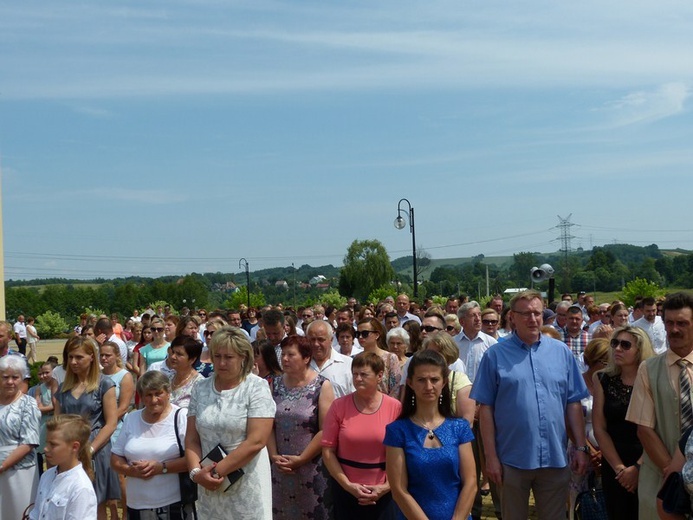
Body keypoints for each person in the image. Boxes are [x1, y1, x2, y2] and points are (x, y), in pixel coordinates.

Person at [471, 289, 590, 520]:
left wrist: (581, 447)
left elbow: (573, 403)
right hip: (511, 460)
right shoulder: (494, 356)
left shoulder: (561, 353)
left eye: (536, 313)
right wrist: (491, 458)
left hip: (555, 458)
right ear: (512, 317)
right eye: (525, 314)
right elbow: (485, 410)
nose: (532, 319)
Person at [186, 326, 276, 520]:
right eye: (217, 356)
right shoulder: (200, 387)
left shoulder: (256, 387)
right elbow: (192, 438)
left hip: (246, 484)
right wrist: (196, 473)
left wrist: (217, 472)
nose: (221, 362)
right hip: (207, 485)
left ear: (243, 357)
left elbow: (257, 441)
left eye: (229, 357)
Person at [384, 350, 477, 519]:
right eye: (421, 380)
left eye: (434, 380)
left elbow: (470, 483)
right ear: (410, 383)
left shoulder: (459, 428)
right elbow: (399, 490)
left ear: (444, 382)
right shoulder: (397, 431)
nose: (428, 386)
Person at [625, 292, 693, 519]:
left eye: (682, 323)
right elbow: (644, 429)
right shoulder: (649, 369)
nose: (674, 330)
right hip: (660, 477)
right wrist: (674, 473)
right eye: (670, 323)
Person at [322, 352, 401, 520]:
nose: (357, 379)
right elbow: (328, 451)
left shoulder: (395, 407)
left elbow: (403, 454)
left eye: (363, 374)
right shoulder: (339, 406)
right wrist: (348, 486)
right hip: (346, 491)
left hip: (385, 493)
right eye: (355, 374)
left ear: (379, 376)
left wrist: (386, 487)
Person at [53, 335, 120, 520]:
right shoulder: (62, 389)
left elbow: (111, 423)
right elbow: (56, 423)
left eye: (78, 357)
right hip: (68, 450)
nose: (73, 362)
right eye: (70, 357)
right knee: (69, 501)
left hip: (96, 449)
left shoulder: (104, 384)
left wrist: (90, 449)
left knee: (95, 503)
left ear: (92, 357)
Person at [269, 335, 335, 519]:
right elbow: (267, 425)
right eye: (283, 354)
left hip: (311, 469)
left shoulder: (322, 385)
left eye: (291, 355)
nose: (284, 359)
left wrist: (301, 459)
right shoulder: (273, 384)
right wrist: (274, 456)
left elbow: (326, 430)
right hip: (279, 469)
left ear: (306, 358)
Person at [111, 371, 193, 519]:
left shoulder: (181, 417)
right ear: (141, 397)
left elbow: (193, 459)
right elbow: (115, 458)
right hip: (135, 504)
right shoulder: (132, 418)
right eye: (148, 395)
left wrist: (161, 468)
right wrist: (131, 470)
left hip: (172, 503)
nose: (154, 400)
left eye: (158, 394)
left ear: (168, 393)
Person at [593, 326, 654, 520]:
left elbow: (659, 429)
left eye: (625, 345)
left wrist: (637, 468)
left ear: (640, 349)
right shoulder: (602, 379)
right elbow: (599, 428)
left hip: (650, 459)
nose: (617, 349)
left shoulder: (653, 380)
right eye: (615, 343)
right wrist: (620, 469)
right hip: (614, 462)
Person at [30, 415, 97, 520]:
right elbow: (36, 513)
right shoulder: (47, 475)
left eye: (53, 445)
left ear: (74, 447)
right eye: (46, 443)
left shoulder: (80, 487)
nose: (46, 449)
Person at [0, 355, 41, 518]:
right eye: (5, 377)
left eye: (15, 377)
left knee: (18, 513)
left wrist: (3, 466)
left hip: (19, 471)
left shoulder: (28, 403)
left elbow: (29, 442)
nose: (10, 381)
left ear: (22, 378)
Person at [307, 320, 355, 398]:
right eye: (312, 340)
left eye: (320, 339)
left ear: (331, 340)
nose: (316, 344)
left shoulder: (348, 364)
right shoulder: (300, 365)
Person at [356, 318, 403, 398]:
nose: (360, 337)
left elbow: (396, 388)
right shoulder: (356, 358)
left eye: (365, 333)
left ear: (377, 335)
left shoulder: (390, 358)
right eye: (357, 334)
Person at [33, 361, 59, 474]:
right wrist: (49, 407)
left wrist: (48, 407)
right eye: (42, 373)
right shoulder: (39, 388)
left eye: (47, 372)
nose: (43, 376)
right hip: (43, 422)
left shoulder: (57, 385)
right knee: (47, 451)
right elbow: (37, 406)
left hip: (55, 420)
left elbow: (55, 406)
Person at [168, 335, 204, 408]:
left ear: (192, 360)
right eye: (173, 352)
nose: (173, 357)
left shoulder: (199, 384)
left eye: (179, 354)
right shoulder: (169, 378)